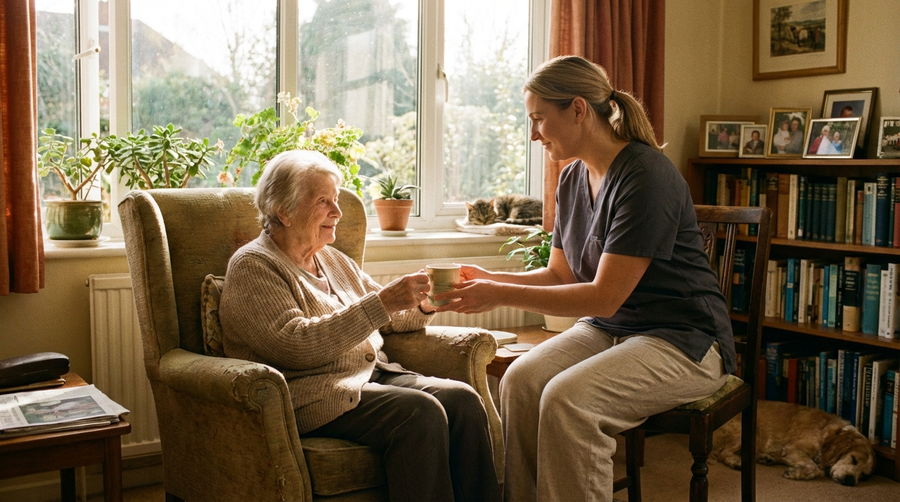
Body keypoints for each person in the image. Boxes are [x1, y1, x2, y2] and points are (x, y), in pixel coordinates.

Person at [433, 55, 733, 501]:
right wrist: (488, 277)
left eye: (538, 119)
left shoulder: (646, 175)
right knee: (520, 381)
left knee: (569, 399)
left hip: (684, 339)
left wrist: (497, 294)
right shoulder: (573, 177)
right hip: (615, 330)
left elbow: (604, 296)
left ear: (577, 109)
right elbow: (560, 273)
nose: (533, 134)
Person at [218, 150, 501, 502]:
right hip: (311, 393)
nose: (337, 213)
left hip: (370, 376)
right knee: (419, 414)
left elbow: (385, 315)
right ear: (283, 211)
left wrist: (423, 301)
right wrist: (383, 302)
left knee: (463, 399)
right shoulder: (253, 266)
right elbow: (294, 345)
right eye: (324, 201)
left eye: (335, 201)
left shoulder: (331, 259)